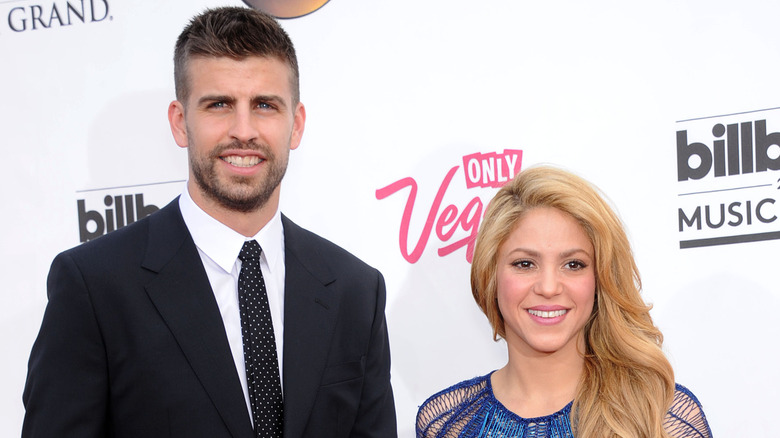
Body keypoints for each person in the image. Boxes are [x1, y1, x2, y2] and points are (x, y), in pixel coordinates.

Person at [22, 6, 396, 438]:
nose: (244, 130)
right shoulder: (94, 288)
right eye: (219, 104)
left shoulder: (355, 290)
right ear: (181, 123)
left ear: (295, 125)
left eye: (265, 105)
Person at [416, 166, 712, 438]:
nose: (548, 287)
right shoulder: (447, 424)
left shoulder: (660, 415)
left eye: (573, 264)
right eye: (524, 263)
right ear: (490, 275)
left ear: (600, 280)